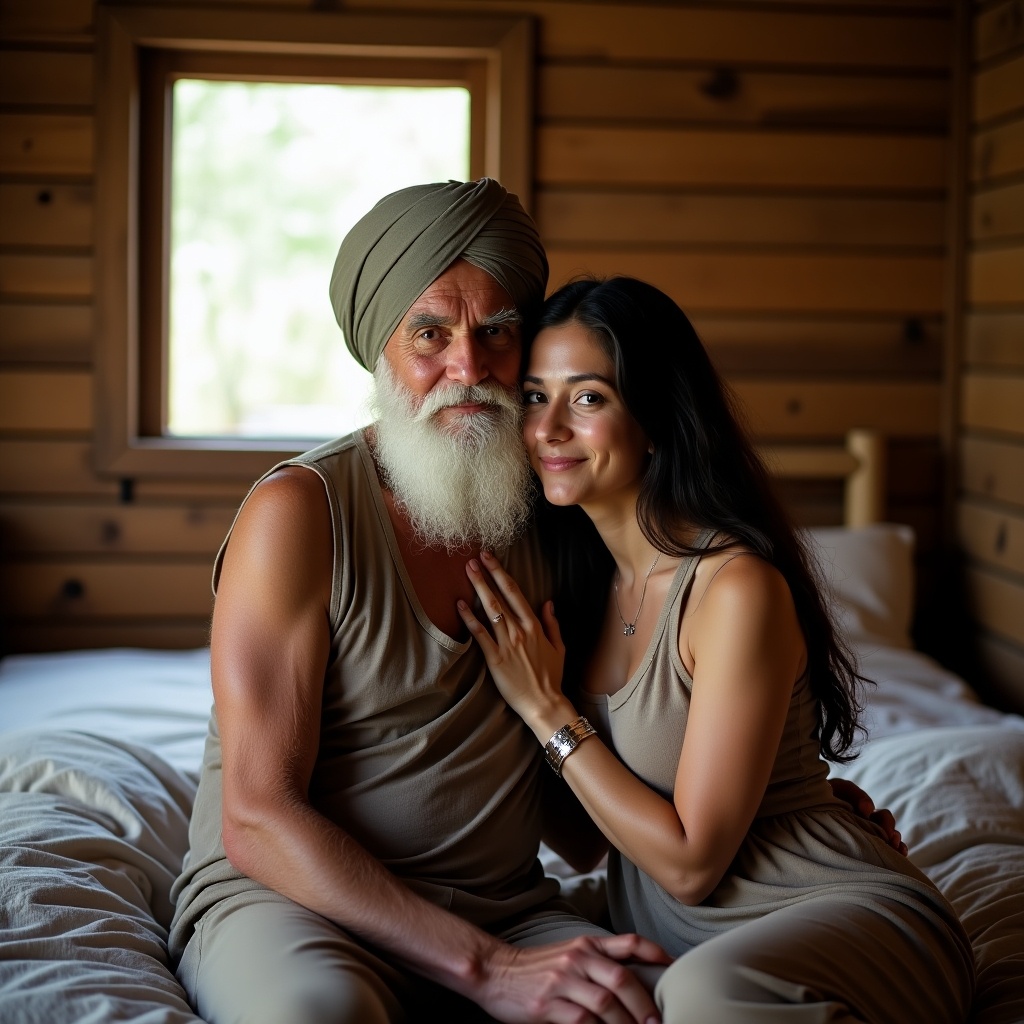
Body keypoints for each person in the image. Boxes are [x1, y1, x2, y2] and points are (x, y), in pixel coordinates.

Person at [169, 179, 904, 1024]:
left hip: (506, 906)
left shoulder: (551, 504)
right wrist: (489, 970)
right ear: (380, 348)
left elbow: (593, 811)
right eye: (430, 335)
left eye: (497, 333)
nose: (469, 368)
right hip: (299, 903)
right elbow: (257, 817)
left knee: (644, 1008)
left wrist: (784, 802)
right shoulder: (299, 513)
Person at [457, 276, 976, 1023]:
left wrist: (544, 710)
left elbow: (691, 864)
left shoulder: (735, 590)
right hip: (691, 941)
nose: (548, 429)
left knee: (701, 995)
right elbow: (580, 842)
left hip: (832, 917)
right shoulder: (573, 591)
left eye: (589, 398)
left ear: (658, 417)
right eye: (535, 396)